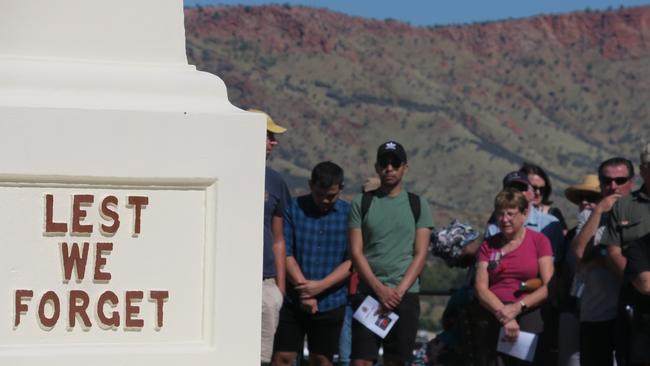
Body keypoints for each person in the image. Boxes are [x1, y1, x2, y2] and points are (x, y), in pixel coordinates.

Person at [348, 140, 433, 366]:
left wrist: (397, 292)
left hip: (404, 295)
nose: (389, 168)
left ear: (405, 167)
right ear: (377, 167)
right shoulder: (362, 202)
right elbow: (356, 252)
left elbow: (421, 253)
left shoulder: (418, 204)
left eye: (395, 163)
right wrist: (379, 289)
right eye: (384, 163)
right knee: (361, 361)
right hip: (369, 294)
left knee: (397, 362)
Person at [272, 161, 351, 366]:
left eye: (331, 196)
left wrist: (321, 286)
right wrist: (305, 290)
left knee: (322, 360)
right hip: (293, 300)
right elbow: (285, 252)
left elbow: (352, 260)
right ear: (310, 185)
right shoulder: (294, 209)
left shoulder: (350, 215)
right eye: (319, 194)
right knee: (283, 357)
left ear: (341, 188)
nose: (325, 200)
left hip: (331, 300)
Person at [475, 189, 554, 365]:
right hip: (494, 312)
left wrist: (518, 307)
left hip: (528, 311)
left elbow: (549, 285)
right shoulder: (488, 245)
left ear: (525, 213)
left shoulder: (539, 241)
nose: (504, 220)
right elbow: (481, 287)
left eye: (510, 214)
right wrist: (505, 315)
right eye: (500, 214)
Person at [571, 158, 634, 366]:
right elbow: (579, 254)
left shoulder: (642, 213)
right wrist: (599, 211)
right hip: (596, 314)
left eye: (620, 180)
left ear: (631, 182)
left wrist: (601, 259)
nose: (613, 186)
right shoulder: (589, 216)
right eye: (607, 181)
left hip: (633, 312)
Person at [600, 144, 650, 366]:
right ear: (642, 170)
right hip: (635, 299)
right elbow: (613, 251)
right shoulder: (625, 206)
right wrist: (635, 277)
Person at [255, 109, 291, 365]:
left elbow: (278, 237)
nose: (273, 142)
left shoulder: (275, 181)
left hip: (266, 282)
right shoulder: (222, 171)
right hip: (229, 280)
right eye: (268, 136)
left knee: (262, 359)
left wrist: (280, 287)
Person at [556, 174, 602, 366]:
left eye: (592, 198)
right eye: (581, 198)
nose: (585, 203)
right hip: (572, 307)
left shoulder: (612, 233)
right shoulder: (570, 236)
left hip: (601, 309)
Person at [485, 171, 564, 256]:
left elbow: (556, 260)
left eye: (522, 188)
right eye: (511, 189)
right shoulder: (493, 229)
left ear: (532, 192)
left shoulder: (550, 224)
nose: (517, 193)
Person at [519, 163, 567, 234]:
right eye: (533, 188)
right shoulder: (506, 214)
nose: (538, 192)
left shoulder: (553, 215)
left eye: (542, 189)